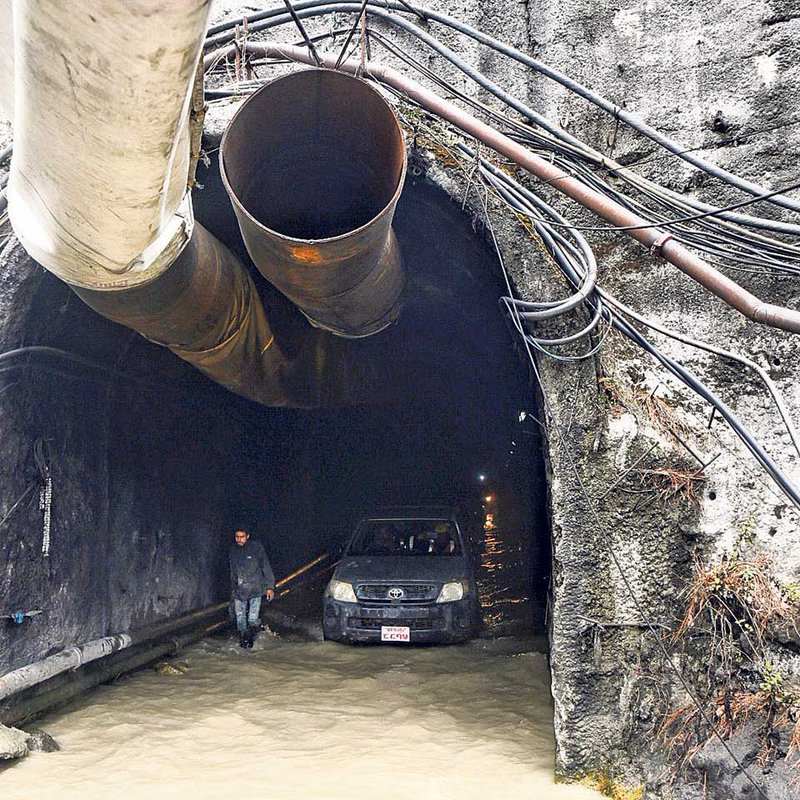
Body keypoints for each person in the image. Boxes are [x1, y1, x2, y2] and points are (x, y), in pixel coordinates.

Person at [229, 528, 275, 649]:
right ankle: (245, 641)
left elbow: (266, 566)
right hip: (239, 590)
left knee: (252, 619)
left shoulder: (256, 548)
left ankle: (256, 632)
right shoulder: (233, 550)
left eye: (242, 536)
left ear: (247, 536)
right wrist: (233, 590)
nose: (239, 539)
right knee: (240, 619)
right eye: (237, 537)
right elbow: (232, 571)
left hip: (255, 588)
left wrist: (270, 587)